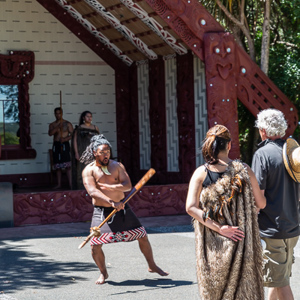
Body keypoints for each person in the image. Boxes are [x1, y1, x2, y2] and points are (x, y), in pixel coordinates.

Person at [186, 124, 266, 300]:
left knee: (215, 290)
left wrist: (220, 228)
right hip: (241, 241)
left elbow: (190, 208)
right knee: (244, 291)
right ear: (229, 145)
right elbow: (261, 203)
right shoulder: (244, 170)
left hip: (212, 245)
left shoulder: (200, 173)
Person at [80, 134, 168, 284]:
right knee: (95, 245)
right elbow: (92, 191)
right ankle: (103, 273)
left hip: (122, 207)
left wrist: (111, 187)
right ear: (95, 153)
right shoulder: (89, 170)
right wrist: (110, 201)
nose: (106, 154)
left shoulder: (117, 166)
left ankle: (152, 265)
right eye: (102, 152)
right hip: (102, 210)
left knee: (142, 236)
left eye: (108, 151)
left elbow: (127, 185)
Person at [251, 108, 300, 300]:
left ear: (263, 130)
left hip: (272, 228)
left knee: (281, 283)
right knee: (276, 278)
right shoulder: (293, 153)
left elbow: (260, 201)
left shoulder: (262, 154)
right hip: (292, 226)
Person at [72, 111, 99, 189]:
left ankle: (94, 186)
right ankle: (82, 187)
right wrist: (76, 153)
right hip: (82, 152)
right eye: (87, 116)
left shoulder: (95, 128)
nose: (89, 118)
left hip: (93, 152)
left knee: (94, 169)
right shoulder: (79, 128)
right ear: (83, 118)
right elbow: (75, 141)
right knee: (82, 170)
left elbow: (99, 140)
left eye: (91, 116)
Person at [48, 107, 73, 189]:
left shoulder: (68, 123)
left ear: (62, 113)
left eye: (59, 113)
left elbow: (73, 135)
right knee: (57, 166)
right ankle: (59, 184)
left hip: (65, 144)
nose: (58, 115)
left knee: (67, 165)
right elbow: (50, 133)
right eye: (56, 113)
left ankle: (70, 184)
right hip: (56, 145)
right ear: (54, 114)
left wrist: (65, 139)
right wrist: (58, 127)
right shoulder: (52, 125)